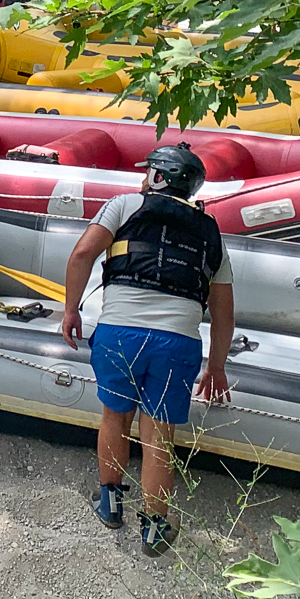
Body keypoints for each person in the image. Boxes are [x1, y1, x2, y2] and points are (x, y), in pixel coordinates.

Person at [59, 143, 234, 557]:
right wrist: (216, 367)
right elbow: (224, 313)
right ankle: (154, 528)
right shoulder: (210, 231)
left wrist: (70, 309)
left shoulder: (123, 206)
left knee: (114, 418)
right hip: (176, 343)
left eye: (148, 172)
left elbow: (83, 252)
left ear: (158, 177)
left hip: (120, 333)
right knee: (158, 437)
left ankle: (111, 501)